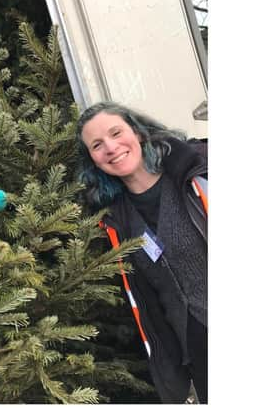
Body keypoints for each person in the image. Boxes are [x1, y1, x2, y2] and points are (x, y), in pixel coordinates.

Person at [76, 101, 207, 403]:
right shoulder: (112, 221)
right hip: (198, 354)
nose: (110, 147)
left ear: (138, 132)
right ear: (93, 160)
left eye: (116, 132)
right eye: (97, 145)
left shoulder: (196, 175)